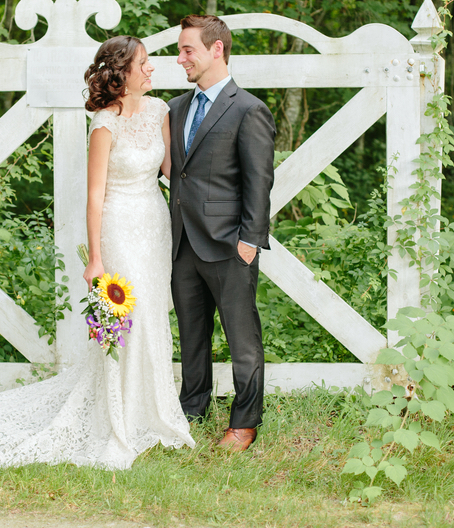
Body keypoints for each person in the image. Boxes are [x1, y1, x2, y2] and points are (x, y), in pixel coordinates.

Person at [0, 36, 194, 470]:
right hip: (117, 227)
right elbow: (95, 197)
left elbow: (173, 172)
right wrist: (95, 259)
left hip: (154, 225)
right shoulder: (103, 125)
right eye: (144, 64)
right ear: (122, 75)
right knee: (125, 320)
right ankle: (118, 417)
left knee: (151, 314)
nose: (152, 69)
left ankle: (151, 412)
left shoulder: (160, 112)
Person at [167, 15, 276, 452]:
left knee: (241, 338)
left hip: (231, 245)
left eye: (188, 49)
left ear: (217, 50)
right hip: (182, 244)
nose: (180, 58)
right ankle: (192, 410)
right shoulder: (174, 109)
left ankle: (245, 422)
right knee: (192, 336)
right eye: (180, 50)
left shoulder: (249, 109)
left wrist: (250, 242)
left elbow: (259, 181)